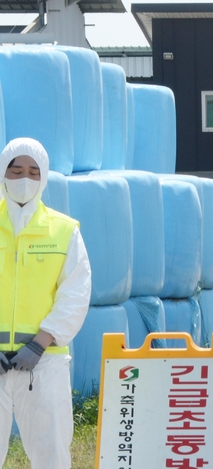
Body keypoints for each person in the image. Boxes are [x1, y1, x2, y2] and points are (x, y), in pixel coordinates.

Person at [0, 138, 91, 468]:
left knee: (51, 456)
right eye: (17, 170)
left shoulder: (64, 231)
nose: (24, 179)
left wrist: (39, 344)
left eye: (33, 172)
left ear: (44, 177)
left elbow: (75, 294)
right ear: (3, 173)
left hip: (43, 364)